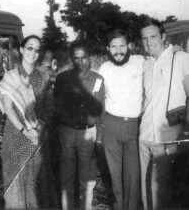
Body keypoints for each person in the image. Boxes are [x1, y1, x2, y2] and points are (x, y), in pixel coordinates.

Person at [0, 35, 59, 209]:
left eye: (37, 49)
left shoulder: (43, 78)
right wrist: (25, 131)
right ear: (21, 50)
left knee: (38, 185)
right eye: (29, 47)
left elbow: (48, 107)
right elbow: (8, 108)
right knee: (17, 186)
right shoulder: (10, 76)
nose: (33, 52)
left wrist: (39, 129)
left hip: (39, 137)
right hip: (16, 137)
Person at [139, 19, 189, 210]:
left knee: (162, 190)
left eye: (153, 37)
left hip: (167, 137)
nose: (149, 42)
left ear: (163, 37)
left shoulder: (181, 58)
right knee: (145, 187)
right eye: (144, 38)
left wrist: (185, 131)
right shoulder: (145, 63)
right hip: (143, 137)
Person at [54, 41, 105, 210]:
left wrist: (99, 138)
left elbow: (101, 110)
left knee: (87, 178)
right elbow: (56, 105)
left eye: (83, 58)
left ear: (90, 58)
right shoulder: (62, 78)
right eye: (76, 58)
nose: (79, 62)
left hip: (89, 133)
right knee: (66, 177)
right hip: (67, 132)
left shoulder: (98, 80)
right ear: (71, 59)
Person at [98, 29, 144, 210]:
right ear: (108, 48)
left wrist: (174, 49)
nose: (118, 51)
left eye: (122, 46)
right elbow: (97, 96)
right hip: (111, 125)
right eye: (114, 47)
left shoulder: (141, 62)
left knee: (133, 175)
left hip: (134, 126)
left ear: (129, 45)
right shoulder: (104, 68)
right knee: (115, 174)